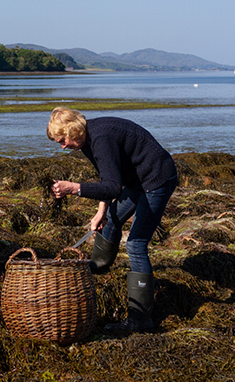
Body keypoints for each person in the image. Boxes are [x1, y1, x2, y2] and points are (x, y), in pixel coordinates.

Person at [47, 107, 178, 335]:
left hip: (157, 178)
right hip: (137, 180)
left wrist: (75, 188)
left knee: (136, 244)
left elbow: (113, 187)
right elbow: (107, 178)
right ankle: (98, 267)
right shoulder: (86, 140)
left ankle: (140, 319)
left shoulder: (101, 138)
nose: (63, 146)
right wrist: (101, 212)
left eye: (62, 140)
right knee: (112, 219)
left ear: (72, 129)